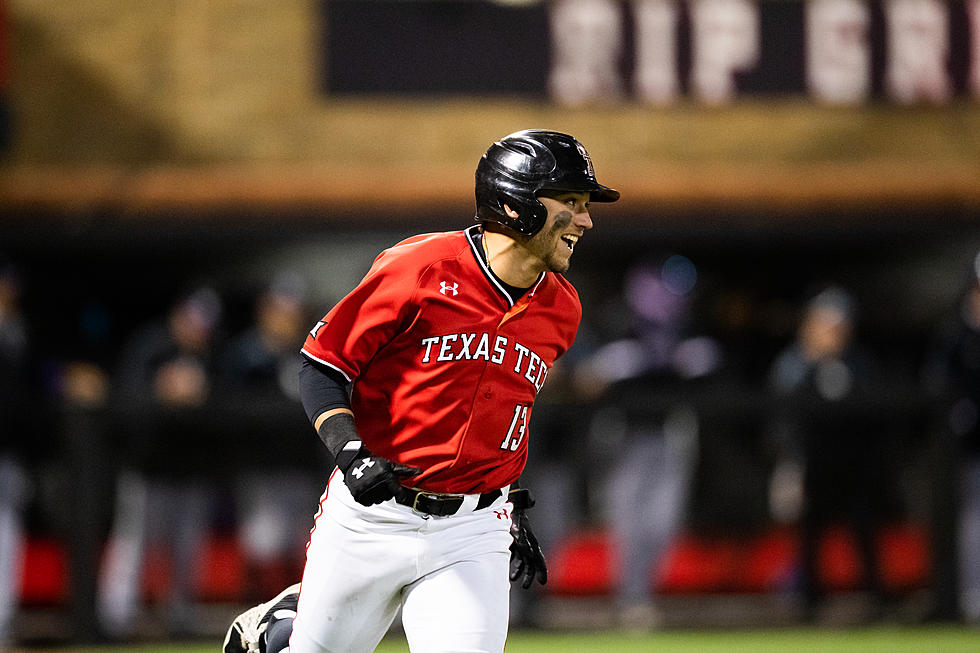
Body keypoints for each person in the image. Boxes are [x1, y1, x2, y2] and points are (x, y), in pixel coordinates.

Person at [223, 129, 619, 653]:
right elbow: (322, 366)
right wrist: (350, 453)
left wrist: (507, 504)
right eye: (571, 202)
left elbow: (502, 411)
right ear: (515, 201)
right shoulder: (420, 267)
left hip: (472, 530)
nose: (586, 219)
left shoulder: (562, 307)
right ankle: (280, 631)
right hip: (373, 516)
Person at [97, 286, 224, 639]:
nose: (199, 330)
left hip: (192, 468)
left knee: (187, 551)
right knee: (134, 547)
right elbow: (124, 399)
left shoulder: (212, 355)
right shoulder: (151, 347)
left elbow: (226, 407)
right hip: (146, 466)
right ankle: (116, 620)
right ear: (178, 315)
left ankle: (181, 619)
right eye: (194, 320)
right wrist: (161, 390)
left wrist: (201, 393)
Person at [766, 285, 893, 622]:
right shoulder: (793, 365)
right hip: (809, 462)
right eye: (825, 324)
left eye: (839, 326)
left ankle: (875, 597)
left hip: (854, 462)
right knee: (810, 533)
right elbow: (778, 420)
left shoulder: (859, 363)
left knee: (863, 528)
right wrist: (788, 461)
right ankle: (807, 600)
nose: (833, 333)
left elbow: (878, 415)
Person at [921, 252, 980, 624]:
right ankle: (971, 597)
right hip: (968, 449)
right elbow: (937, 386)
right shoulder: (956, 336)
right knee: (971, 522)